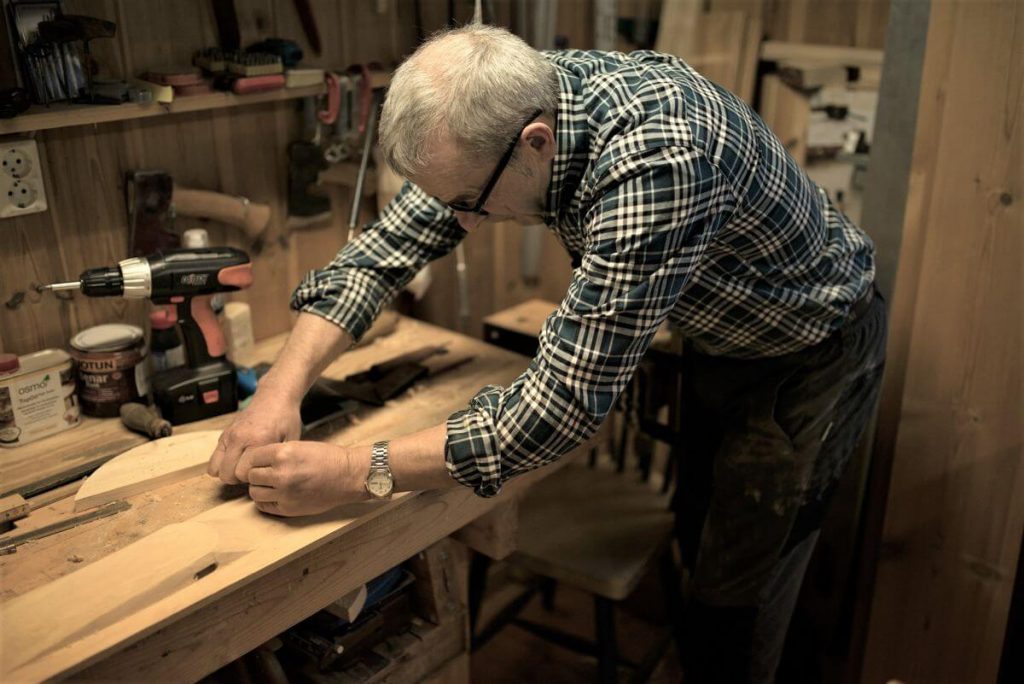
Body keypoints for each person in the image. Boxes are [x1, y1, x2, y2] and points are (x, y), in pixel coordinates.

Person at [208, 25, 887, 683]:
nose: (463, 222)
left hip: (811, 355)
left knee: (737, 601)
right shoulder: (502, 111)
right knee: (699, 534)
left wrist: (360, 470)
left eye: (470, 204)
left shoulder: (657, 163)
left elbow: (560, 408)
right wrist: (278, 392)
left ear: (536, 143)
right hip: (723, 337)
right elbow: (381, 257)